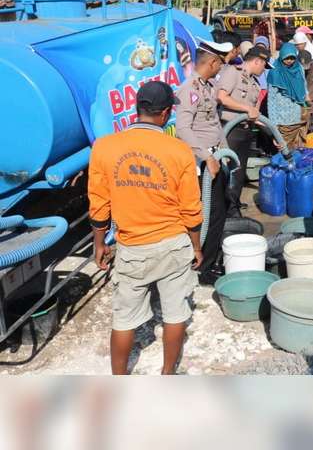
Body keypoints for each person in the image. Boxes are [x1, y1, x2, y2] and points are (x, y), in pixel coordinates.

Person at [89, 82, 203, 375]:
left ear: (137, 108)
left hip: (132, 249)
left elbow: (99, 203)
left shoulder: (104, 147)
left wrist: (99, 244)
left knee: (124, 320)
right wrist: (196, 246)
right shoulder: (179, 150)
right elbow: (191, 208)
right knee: (175, 314)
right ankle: (167, 374)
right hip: (173, 244)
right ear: (165, 114)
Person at [175, 41, 230, 285]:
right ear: (213, 62)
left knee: (219, 211)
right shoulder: (189, 89)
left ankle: (210, 259)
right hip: (201, 163)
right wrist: (207, 156)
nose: (221, 68)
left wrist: (225, 153)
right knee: (207, 213)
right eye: (220, 63)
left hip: (215, 159)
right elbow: (183, 129)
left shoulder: (208, 86)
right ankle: (202, 267)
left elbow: (214, 124)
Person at [217, 45, 271, 216]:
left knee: (239, 172)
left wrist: (271, 134)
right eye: (264, 65)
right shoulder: (233, 72)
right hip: (229, 130)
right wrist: (246, 109)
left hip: (245, 131)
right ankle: (225, 209)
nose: (264, 70)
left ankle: (233, 205)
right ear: (257, 61)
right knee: (227, 170)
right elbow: (222, 97)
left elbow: (255, 115)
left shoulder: (255, 84)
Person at [267, 42, 309, 149]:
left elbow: (304, 85)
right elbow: (271, 101)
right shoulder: (274, 72)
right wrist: (274, 126)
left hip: (298, 117)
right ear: (281, 56)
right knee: (284, 151)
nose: (290, 61)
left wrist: (307, 99)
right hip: (282, 120)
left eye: (292, 58)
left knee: (298, 151)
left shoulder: (299, 69)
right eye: (287, 58)